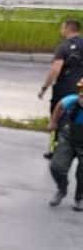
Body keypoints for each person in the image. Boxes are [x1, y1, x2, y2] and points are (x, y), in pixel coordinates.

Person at [40, 19, 83, 159]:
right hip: (81, 89)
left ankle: (54, 150)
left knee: (57, 117)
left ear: (67, 29)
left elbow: (55, 70)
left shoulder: (63, 47)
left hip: (63, 89)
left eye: (62, 28)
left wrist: (44, 88)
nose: (61, 31)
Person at [47, 77, 83, 210]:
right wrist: (53, 122)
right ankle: (62, 189)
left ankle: (79, 198)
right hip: (68, 137)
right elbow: (60, 105)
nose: (81, 95)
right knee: (56, 167)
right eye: (81, 91)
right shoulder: (72, 101)